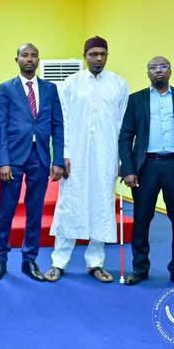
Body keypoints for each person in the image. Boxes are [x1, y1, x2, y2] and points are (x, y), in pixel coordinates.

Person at [45, 36, 129, 283]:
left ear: (107, 55)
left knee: (102, 206)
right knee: (69, 206)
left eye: (102, 54)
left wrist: (123, 158)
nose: (98, 58)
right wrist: (63, 154)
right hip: (75, 156)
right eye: (93, 54)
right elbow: (62, 122)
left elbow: (123, 125)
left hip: (106, 155)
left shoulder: (119, 84)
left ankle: (96, 262)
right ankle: (58, 262)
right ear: (85, 56)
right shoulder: (70, 84)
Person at [119, 57, 174, 291]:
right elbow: (126, 136)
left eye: (163, 66)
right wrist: (128, 169)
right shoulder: (136, 99)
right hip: (146, 167)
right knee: (141, 219)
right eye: (153, 67)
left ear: (170, 71)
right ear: (147, 72)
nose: (158, 71)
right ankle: (140, 268)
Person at [0, 43, 64, 282]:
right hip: (13, 159)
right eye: (25, 55)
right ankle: (1, 260)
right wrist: (2, 161)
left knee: (35, 211)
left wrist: (58, 159)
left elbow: (58, 125)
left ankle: (29, 260)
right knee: (6, 210)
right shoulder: (6, 88)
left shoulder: (50, 89)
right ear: (17, 60)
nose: (29, 59)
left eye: (34, 56)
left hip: (40, 157)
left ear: (38, 60)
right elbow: (0, 126)